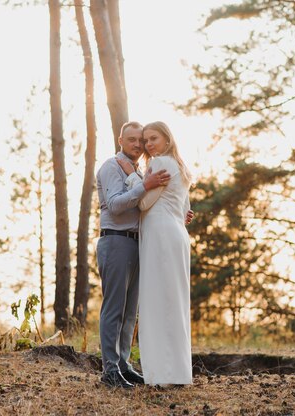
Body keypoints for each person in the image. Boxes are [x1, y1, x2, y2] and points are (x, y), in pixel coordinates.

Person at [95, 121, 171, 389]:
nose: (138, 145)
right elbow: (115, 205)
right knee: (114, 309)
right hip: (115, 242)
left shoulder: (138, 171)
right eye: (131, 140)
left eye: (140, 140)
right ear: (120, 140)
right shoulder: (111, 167)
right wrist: (145, 185)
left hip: (137, 244)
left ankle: (124, 366)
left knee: (130, 312)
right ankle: (109, 370)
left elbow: (146, 206)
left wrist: (176, 211)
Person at [117, 121, 193, 386]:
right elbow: (185, 211)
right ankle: (178, 372)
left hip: (160, 235)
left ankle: (162, 375)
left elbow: (145, 203)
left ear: (167, 139)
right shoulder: (180, 166)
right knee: (175, 302)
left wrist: (132, 176)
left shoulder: (160, 163)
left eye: (153, 138)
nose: (148, 145)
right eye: (145, 140)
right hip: (177, 235)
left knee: (158, 302)